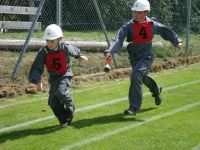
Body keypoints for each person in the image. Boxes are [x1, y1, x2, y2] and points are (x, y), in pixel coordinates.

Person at [104, 0, 182, 116]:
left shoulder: (152, 24)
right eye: (134, 12)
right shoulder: (129, 25)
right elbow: (118, 38)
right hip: (134, 56)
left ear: (146, 12)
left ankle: (133, 107)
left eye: (138, 12)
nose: (135, 14)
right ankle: (156, 90)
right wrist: (111, 50)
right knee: (141, 77)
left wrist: (176, 41)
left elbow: (165, 30)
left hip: (146, 56)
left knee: (136, 75)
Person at [29, 24, 88, 126]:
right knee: (53, 102)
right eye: (47, 41)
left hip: (65, 74)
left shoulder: (65, 47)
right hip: (53, 78)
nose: (50, 43)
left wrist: (79, 56)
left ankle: (70, 107)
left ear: (59, 39)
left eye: (52, 41)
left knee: (61, 92)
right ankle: (64, 119)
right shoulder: (44, 52)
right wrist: (37, 81)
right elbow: (36, 67)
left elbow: (73, 50)